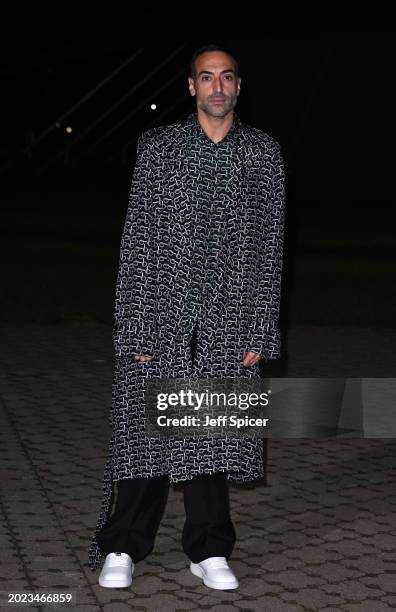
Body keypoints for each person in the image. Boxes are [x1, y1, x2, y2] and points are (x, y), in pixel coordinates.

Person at [88, 43, 286, 591]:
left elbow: (271, 247)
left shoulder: (263, 153)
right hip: (162, 310)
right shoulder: (159, 148)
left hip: (229, 316)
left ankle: (209, 549)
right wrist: (134, 322)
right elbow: (137, 239)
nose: (217, 87)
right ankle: (124, 544)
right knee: (146, 432)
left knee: (212, 432)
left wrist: (260, 329)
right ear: (191, 86)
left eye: (227, 77)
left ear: (239, 87)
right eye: (206, 77)